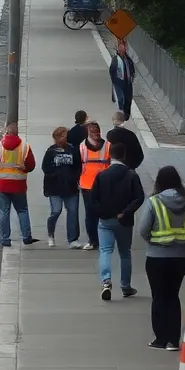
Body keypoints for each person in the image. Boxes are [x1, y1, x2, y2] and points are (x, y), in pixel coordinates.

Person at [136, 166, 185, 349]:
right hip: (181, 257)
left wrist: (153, 240)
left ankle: (160, 338)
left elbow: (143, 229)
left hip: (156, 257)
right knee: (173, 296)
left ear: (159, 182)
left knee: (159, 297)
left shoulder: (154, 202)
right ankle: (173, 340)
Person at [88, 141, 145, 301]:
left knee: (105, 251)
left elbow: (93, 200)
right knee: (125, 253)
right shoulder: (131, 175)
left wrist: (103, 213)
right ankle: (126, 286)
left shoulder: (101, 175)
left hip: (105, 221)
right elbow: (139, 197)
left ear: (110, 155)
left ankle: (106, 281)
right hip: (124, 221)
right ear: (124, 156)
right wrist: (125, 212)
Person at [0, 121, 39, 247]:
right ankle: (26, 237)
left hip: (3, 185)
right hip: (19, 185)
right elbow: (31, 165)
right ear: (17, 133)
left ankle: (5, 239)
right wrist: (23, 169)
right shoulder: (25, 147)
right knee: (22, 210)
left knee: (4, 212)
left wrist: (1, 170)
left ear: (6, 132)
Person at [41, 126, 83, 247]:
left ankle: (73, 239)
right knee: (56, 211)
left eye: (65, 136)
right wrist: (55, 175)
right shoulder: (51, 151)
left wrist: (74, 177)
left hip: (70, 187)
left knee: (73, 212)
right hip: (55, 188)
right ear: (57, 138)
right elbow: (45, 168)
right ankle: (50, 233)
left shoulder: (73, 150)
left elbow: (78, 166)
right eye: (63, 136)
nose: (65, 138)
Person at [77, 121, 110, 250]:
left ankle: (97, 240)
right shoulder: (82, 147)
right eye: (93, 131)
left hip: (98, 185)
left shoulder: (107, 146)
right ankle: (94, 240)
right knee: (92, 214)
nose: (96, 134)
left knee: (98, 214)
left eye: (97, 131)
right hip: (89, 185)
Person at [110, 40, 136, 121]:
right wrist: (115, 81)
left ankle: (125, 116)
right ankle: (119, 119)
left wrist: (132, 75)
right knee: (120, 100)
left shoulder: (127, 59)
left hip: (127, 83)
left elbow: (131, 68)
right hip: (119, 83)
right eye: (120, 46)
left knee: (128, 100)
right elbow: (112, 71)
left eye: (123, 45)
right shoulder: (116, 59)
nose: (122, 48)